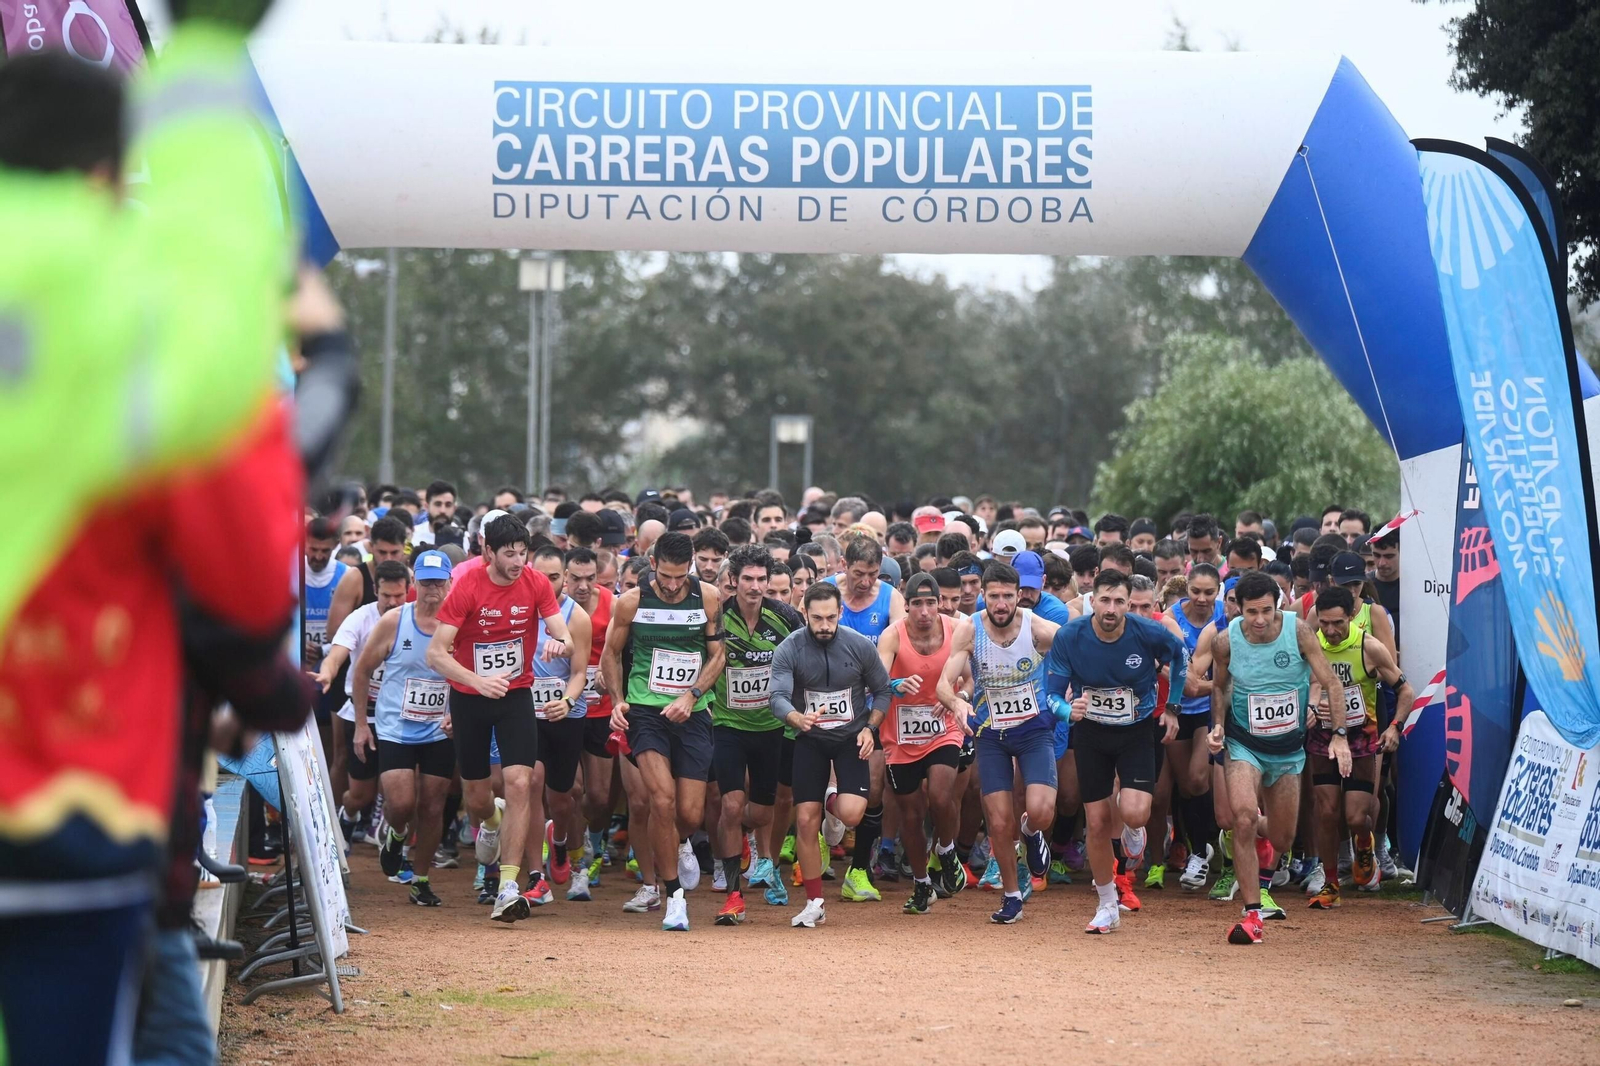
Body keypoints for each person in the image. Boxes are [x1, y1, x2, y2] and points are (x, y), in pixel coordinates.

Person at [426, 514, 573, 923]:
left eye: (522, 553)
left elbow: (563, 633)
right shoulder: (468, 586)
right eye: (509, 554)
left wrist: (560, 644)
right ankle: (492, 820)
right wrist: (478, 681)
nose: (517, 562)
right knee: (477, 796)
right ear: (488, 552)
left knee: (521, 783)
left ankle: (509, 886)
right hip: (470, 698)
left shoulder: (536, 583)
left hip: (516, 695)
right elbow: (436, 654)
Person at [1206, 571, 1345, 945]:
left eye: (1266, 610)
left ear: (1277, 605)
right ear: (1238, 608)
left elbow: (1331, 682)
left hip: (1287, 750)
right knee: (1243, 818)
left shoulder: (1298, 632)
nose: (1260, 619)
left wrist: (1339, 735)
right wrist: (1217, 726)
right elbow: (1219, 687)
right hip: (1243, 744)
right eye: (1251, 611)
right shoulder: (1225, 642)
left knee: (1283, 837)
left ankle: (1251, 832)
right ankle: (1253, 915)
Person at [1047, 570, 1187, 934]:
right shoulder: (1070, 636)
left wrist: (1173, 708)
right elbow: (1051, 694)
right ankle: (1107, 904)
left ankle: (1133, 831)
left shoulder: (1149, 633)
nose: (1111, 609)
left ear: (1129, 604)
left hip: (1136, 731)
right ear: (1092, 600)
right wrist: (1068, 711)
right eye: (1105, 600)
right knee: (1095, 822)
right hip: (1091, 733)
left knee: (1136, 813)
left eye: (1119, 601)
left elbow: (1180, 658)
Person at [604, 531, 726, 932]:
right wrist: (618, 700)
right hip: (645, 711)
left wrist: (692, 695)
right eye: (666, 576)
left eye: (680, 576)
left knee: (689, 814)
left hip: (693, 711)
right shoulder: (632, 601)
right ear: (652, 564)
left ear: (690, 566)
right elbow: (611, 654)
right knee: (661, 799)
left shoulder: (707, 597)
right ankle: (673, 896)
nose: (673, 585)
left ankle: (682, 840)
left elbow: (718, 655)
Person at [939, 563, 1061, 923]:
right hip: (991, 734)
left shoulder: (1039, 628)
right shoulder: (969, 629)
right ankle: (1011, 896)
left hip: (1033, 730)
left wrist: (1067, 693)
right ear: (983, 596)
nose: (1002, 603)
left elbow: (1077, 652)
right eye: (994, 596)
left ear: (1019, 595)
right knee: (998, 820)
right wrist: (956, 702)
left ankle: (1031, 832)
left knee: (1041, 811)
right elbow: (943, 684)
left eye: (1008, 595)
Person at [769, 582, 893, 929]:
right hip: (809, 740)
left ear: (840, 613)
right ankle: (814, 902)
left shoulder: (858, 645)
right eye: (817, 618)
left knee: (852, 814)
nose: (824, 626)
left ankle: (831, 800)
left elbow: (883, 690)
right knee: (806, 821)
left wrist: (870, 728)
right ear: (805, 613)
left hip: (850, 740)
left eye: (830, 618)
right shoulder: (789, 649)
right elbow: (776, 697)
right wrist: (796, 718)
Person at [353, 550, 457, 906]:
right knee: (401, 803)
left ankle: (421, 879)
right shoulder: (395, 622)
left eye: (438, 583)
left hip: (439, 728)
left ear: (450, 584)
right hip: (396, 726)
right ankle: (396, 836)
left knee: (432, 806)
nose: (432, 590)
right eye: (426, 583)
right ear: (415, 583)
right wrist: (361, 725)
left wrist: (458, 713)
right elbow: (362, 671)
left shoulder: (459, 624)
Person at [710, 545, 805, 924]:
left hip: (772, 728)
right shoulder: (717, 617)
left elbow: (806, 658)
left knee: (762, 813)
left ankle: (738, 834)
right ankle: (733, 895)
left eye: (761, 579)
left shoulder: (785, 616)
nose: (754, 586)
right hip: (728, 725)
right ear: (733, 580)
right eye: (747, 579)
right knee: (732, 805)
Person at [1306, 586, 1415, 909]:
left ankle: (1365, 844)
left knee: (1356, 816)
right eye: (1324, 623)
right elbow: (1306, 684)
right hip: (1323, 736)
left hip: (1361, 738)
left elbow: (1406, 691)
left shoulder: (1370, 647)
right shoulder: (1311, 646)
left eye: (1337, 623)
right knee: (1327, 812)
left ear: (1352, 617)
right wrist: (1311, 706)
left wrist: (1394, 727)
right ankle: (1330, 883)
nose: (1330, 630)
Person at [878, 573, 969, 913]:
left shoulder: (957, 630)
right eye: (917, 603)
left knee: (941, 795)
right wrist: (895, 684)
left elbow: (969, 681)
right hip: (901, 735)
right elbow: (876, 679)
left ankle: (946, 849)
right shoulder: (892, 636)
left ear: (939, 603)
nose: (925, 611)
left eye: (931, 602)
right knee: (911, 814)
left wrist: (958, 698)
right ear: (906, 605)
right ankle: (921, 884)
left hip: (944, 727)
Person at [827, 535, 906, 900]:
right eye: (858, 573)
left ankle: (858, 870)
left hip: (871, 708)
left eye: (872, 574)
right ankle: (819, 841)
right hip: (827, 706)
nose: (865, 581)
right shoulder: (825, 591)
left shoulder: (891, 598)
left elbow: (901, 641)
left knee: (873, 789)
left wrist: (895, 681)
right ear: (844, 566)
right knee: (823, 786)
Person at [520, 546, 593, 906]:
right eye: (541, 577)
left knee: (562, 798)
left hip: (565, 715)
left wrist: (566, 701)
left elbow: (579, 673)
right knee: (531, 784)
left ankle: (559, 840)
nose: (547, 584)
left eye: (553, 577)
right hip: (525, 713)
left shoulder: (576, 617)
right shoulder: (518, 609)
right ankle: (537, 877)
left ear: (564, 577)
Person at [321, 560, 412, 845]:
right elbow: (337, 652)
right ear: (375, 590)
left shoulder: (417, 618)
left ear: (409, 591)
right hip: (363, 713)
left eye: (398, 595)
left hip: (401, 715)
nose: (392, 602)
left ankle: (394, 840)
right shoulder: (360, 618)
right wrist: (327, 672)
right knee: (360, 795)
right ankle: (349, 814)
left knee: (402, 788)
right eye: (386, 595)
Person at [1168, 563, 1225, 890]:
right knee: (1186, 787)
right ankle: (1199, 848)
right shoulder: (1171, 618)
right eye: (1195, 591)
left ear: (1218, 591)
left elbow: (1193, 682)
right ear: (1186, 588)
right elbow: (1187, 684)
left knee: (1197, 777)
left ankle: (1203, 851)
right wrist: (1220, 683)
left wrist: (1210, 687)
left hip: (1207, 710)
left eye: (1209, 592)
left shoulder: (1224, 616)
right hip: (1177, 709)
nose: (1202, 599)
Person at [563, 547, 616, 898]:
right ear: (565, 577)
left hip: (602, 710)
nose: (583, 586)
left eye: (590, 578)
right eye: (576, 579)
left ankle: (592, 839)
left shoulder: (612, 604)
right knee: (571, 790)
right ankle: (575, 856)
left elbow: (623, 648)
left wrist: (610, 674)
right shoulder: (553, 607)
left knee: (598, 797)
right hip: (565, 707)